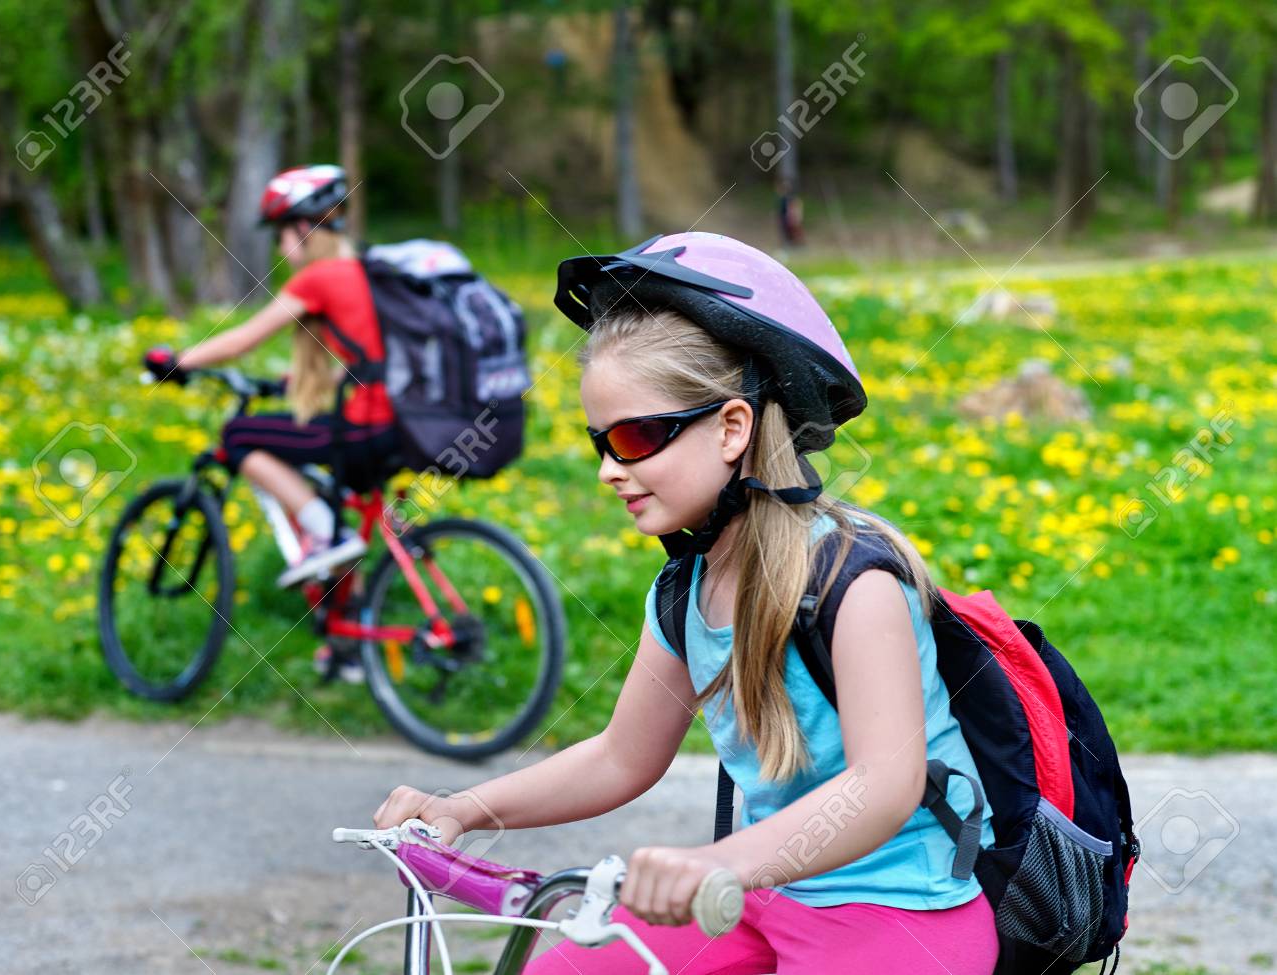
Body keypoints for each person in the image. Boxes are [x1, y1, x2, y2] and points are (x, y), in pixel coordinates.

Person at [372, 233, 998, 974]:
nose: (610, 470)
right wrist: (465, 808)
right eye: (599, 442)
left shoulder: (850, 582)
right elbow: (619, 756)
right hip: (767, 894)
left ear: (732, 427)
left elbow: (886, 784)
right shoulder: (684, 591)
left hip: (902, 910)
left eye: (637, 436)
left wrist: (720, 862)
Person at [144, 164, 402, 591]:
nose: (282, 247)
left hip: (364, 426)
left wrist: (177, 361)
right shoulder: (365, 268)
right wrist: (293, 384)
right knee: (328, 484)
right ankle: (345, 646)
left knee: (239, 435)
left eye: (281, 232)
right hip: (399, 422)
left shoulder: (319, 277)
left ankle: (325, 532)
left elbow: (243, 340)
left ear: (303, 227)